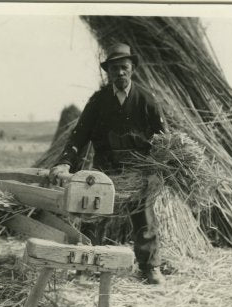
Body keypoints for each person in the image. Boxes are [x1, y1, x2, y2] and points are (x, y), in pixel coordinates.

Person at [50, 43, 166, 284]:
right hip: (106, 170)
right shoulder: (99, 101)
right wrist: (64, 164)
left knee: (144, 218)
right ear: (108, 72)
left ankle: (150, 267)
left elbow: (164, 138)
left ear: (132, 68)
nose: (120, 73)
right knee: (93, 215)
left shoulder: (146, 100)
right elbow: (79, 135)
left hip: (138, 171)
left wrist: (159, 166)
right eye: (114, 69)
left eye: (124, 68)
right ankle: (85, 267)